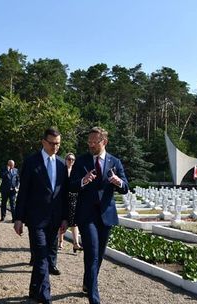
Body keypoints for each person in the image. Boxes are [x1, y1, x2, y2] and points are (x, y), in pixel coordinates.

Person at [69, 127, 129, 304]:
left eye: (95, 142)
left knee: (99, 254)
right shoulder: (81, 161)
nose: (91, 145)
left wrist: (118, 182)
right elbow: (71, 186)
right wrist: (82, 181)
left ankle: (88, 282)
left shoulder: (115, 162)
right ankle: (94, 296)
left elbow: (125, 187)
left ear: (104, 142)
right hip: (86, 216)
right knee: (92, 252)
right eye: (89, 141)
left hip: (106, 215)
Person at [13, 127, 69, 304]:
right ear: (43, 142)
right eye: (52, 143)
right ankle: (45, 295)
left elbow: (64, 193)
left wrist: (66, 218)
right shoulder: (31, 162)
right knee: (42, 254)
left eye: (58, 144)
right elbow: (23, 192)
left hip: (55, 219)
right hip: (36, 218)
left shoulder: (61, 164)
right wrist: (18, 218)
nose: (55, 147)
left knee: (43, 255)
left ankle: (33, 290)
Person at [58, 152, 83, 252]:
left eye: (73, 159)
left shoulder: (76, 171)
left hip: (73, 198)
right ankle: (60, 241)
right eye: (69, 159)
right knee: (62, 220)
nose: (71, 161)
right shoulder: (61, 170)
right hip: (62, 198)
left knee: (74, 222)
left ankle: (76, 243)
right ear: (66, 160)